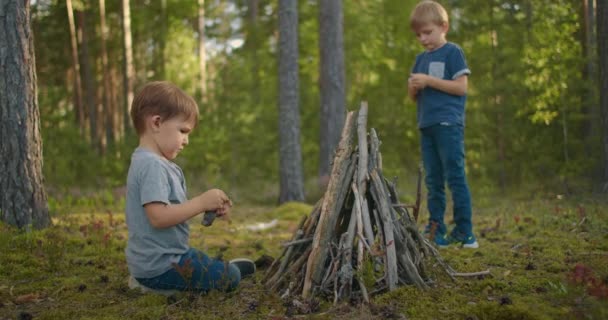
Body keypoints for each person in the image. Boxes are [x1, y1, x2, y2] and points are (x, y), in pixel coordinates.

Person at [125, 81, 255, 294]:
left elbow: (172, 209)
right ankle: (152, 285)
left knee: (197, 258)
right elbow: (159, 217)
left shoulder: (155, 163)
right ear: (156, 123)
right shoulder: (151, 165)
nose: (186, 141)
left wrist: (206, 205)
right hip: (159, 268)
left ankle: (214, 268)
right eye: (183, 131)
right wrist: (200, 202)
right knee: (229, 278)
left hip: (169, 257)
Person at [407, 1, 478, 249]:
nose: (423, 38)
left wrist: (428, 80)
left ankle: (465, 231)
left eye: (427, 32)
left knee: (455, 177)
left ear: (443, 26)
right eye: (418, 35)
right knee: (433, 180)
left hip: (449, 123)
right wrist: (413, 88)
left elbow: (461, 87)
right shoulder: (419, 59)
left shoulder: (453, 52)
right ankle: (436, 229)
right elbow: (414, 97)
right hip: (426, 125)